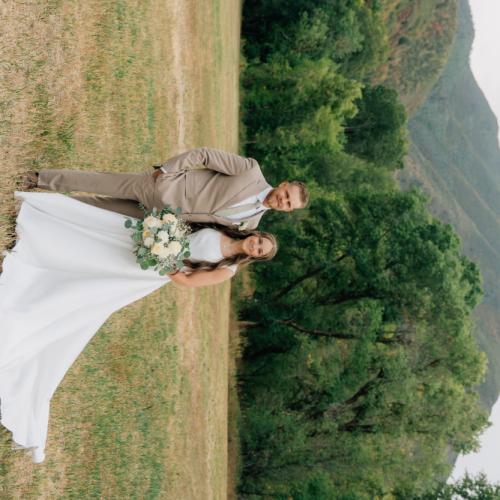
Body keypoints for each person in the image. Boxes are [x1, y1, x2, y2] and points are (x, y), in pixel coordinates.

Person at [0, 191, 277, 463]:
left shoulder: (227, 269)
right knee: (97, 247)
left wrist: (163, 256)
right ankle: (45, 240)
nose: (255, 246)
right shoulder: (225, 228)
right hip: (148, 244)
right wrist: (161, 236)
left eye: (259, 250)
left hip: (151, 270)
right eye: (259, 241)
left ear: (256, 257)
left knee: (93, 289)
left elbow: (188, 281)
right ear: (256, 235)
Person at [22, 146, 309, 230]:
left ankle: (38, 207)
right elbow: (205, 155)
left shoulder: (251, 223)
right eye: (286, 195)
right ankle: (38, 179)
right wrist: (168, 169)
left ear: (288, 211)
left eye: (288, 205)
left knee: (100, 210)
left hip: (160, 221)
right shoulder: (250, 170)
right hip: (161, 188)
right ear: (283, 184)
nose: (282, 201)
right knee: (99, 182)